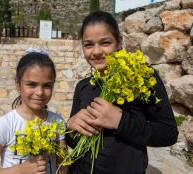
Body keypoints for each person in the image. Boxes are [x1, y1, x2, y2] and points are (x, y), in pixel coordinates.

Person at [65, 11, 179, 174]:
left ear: (119, 42)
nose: (96, 52)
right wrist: (70, 126)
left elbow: (168, 133)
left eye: (105, 43)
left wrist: (120, 121)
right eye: (88, 45)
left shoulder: (142, 76)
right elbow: (74, 142)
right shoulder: (84, 86)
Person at [0, 50, 68, 174]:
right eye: (32, 85)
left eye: (47, 86)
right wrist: (22, 169)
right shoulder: (5, 125)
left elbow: (63, 166)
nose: (40, 92)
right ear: (17, 84)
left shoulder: (57, 122)